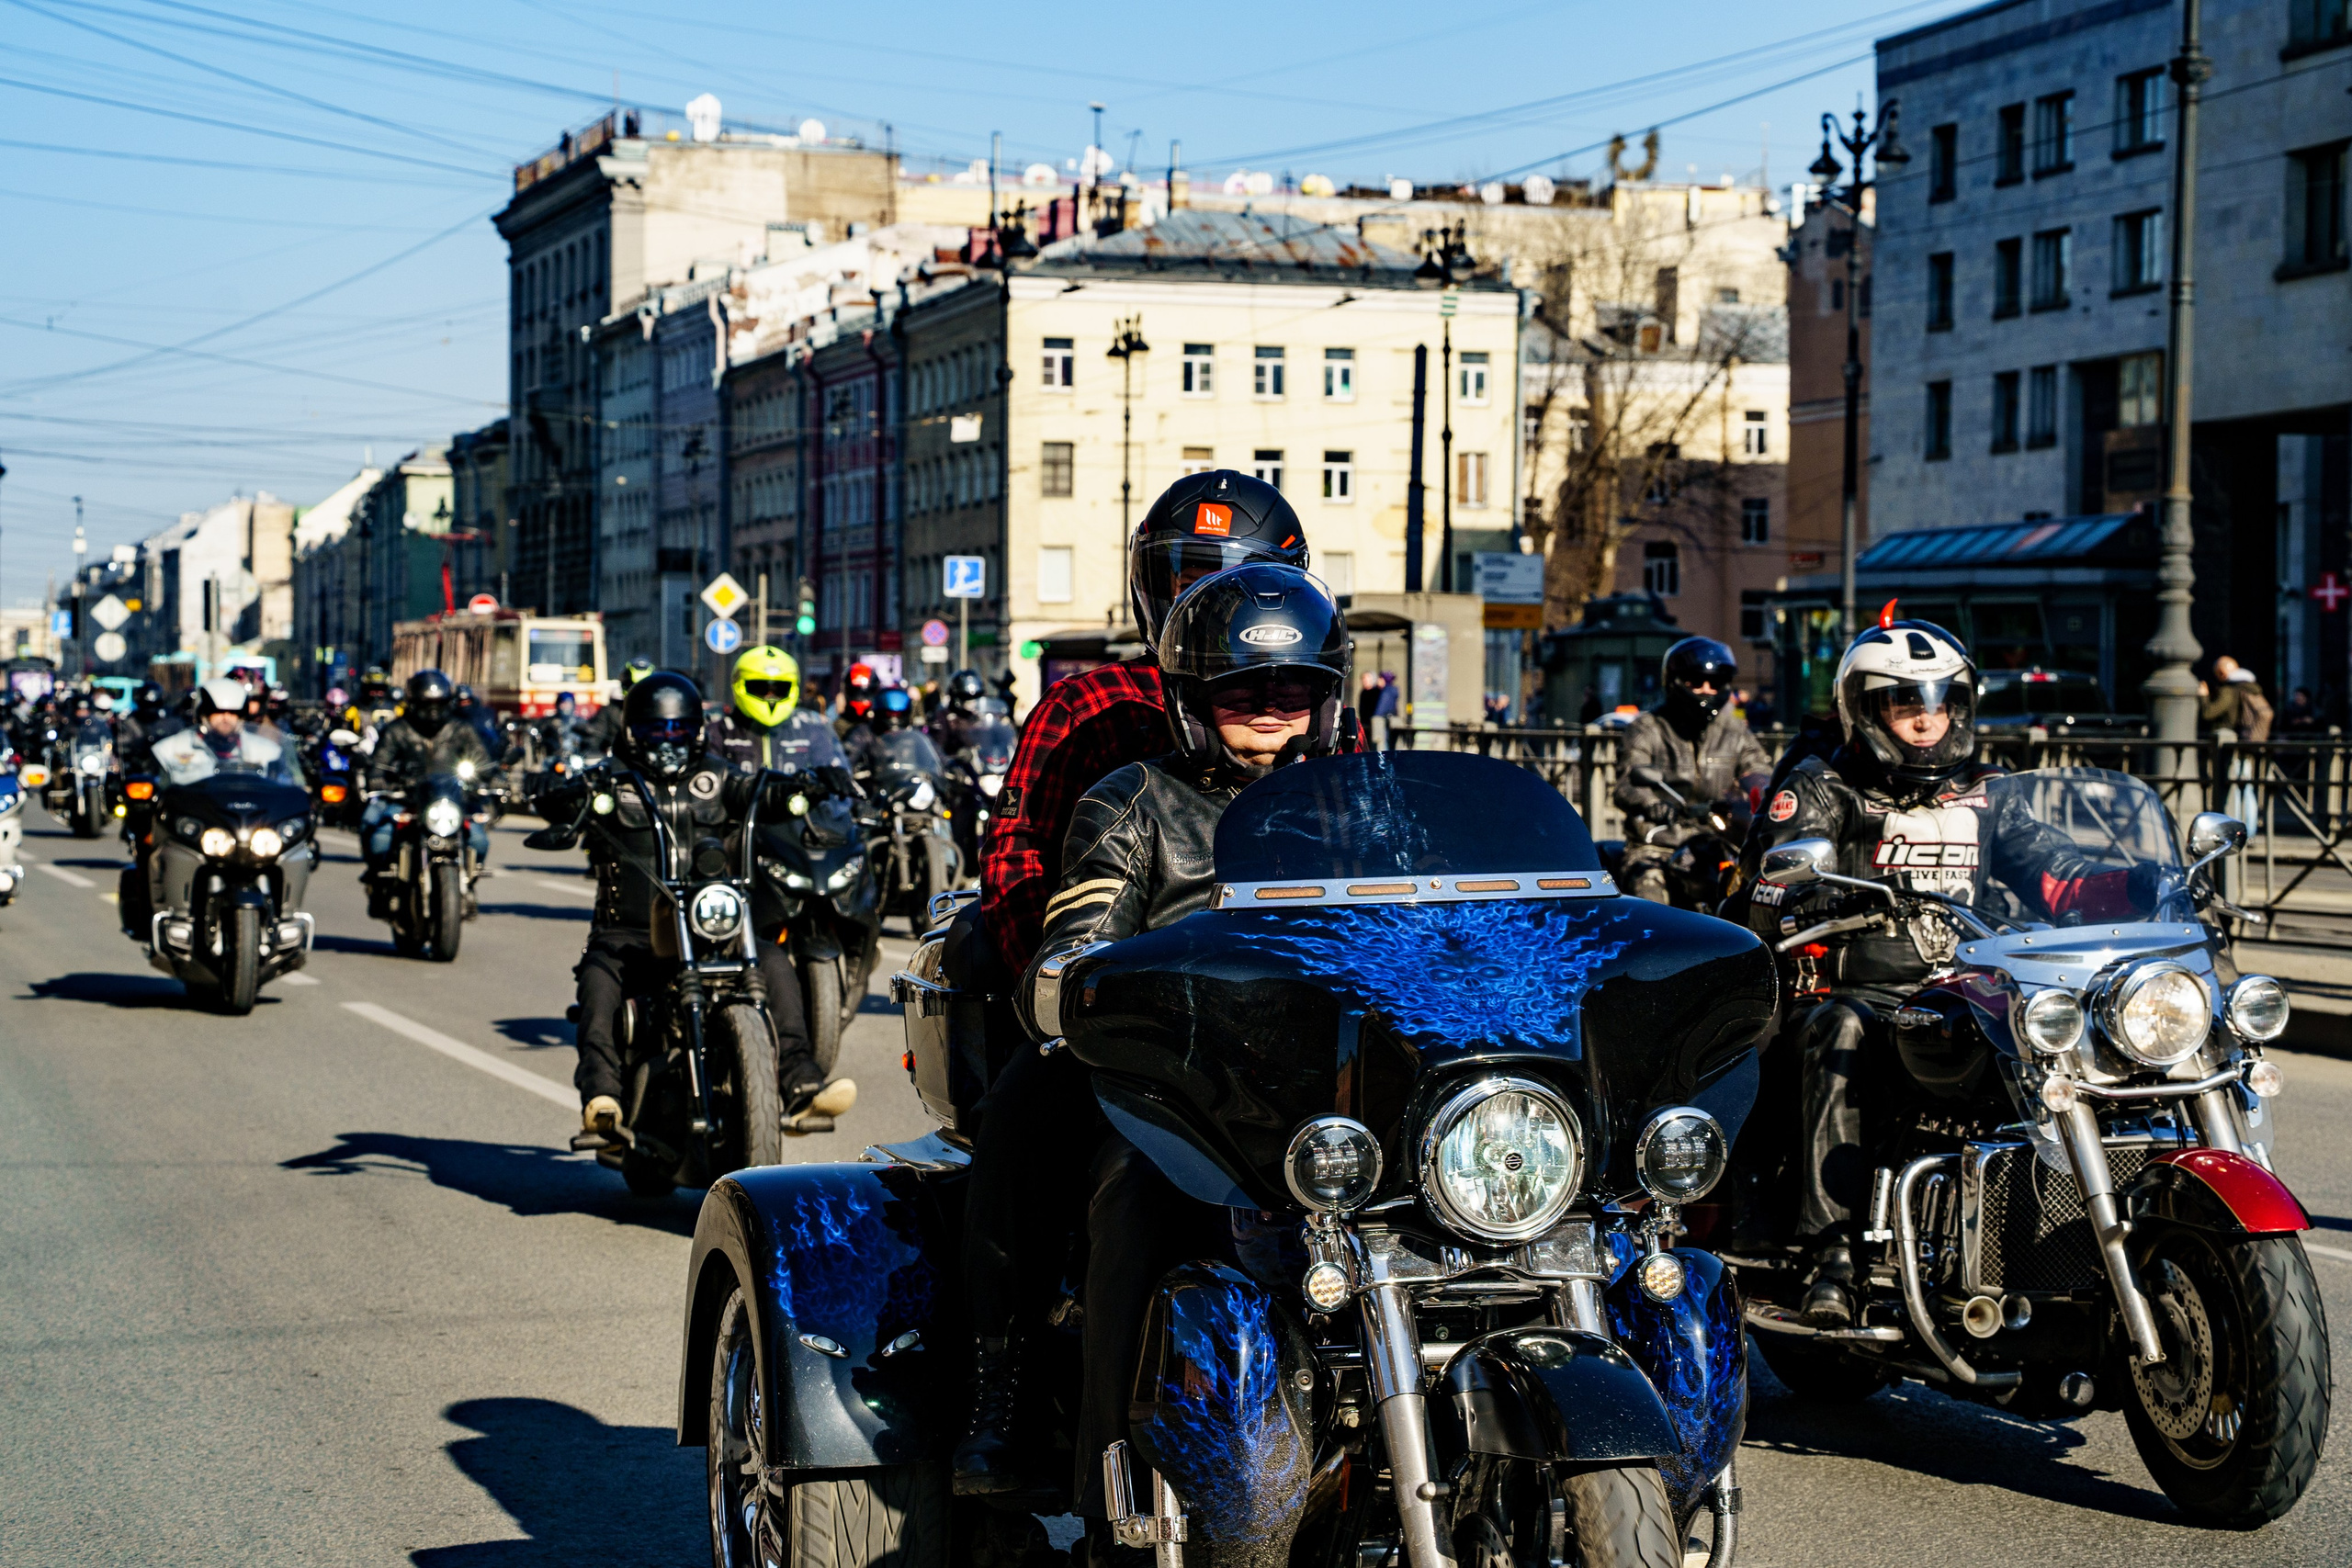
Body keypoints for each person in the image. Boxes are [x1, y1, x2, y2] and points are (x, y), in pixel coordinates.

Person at [974, 566, 1350, 1557]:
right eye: (1241, 690)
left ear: (1328, 694)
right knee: (1133, 1198)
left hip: (1344, 1103)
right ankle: (1109, 1502)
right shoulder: (1135, 800)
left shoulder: (1363, 808)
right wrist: (1084, 978)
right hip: (1187, 1104)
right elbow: (1075, 936)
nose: (1270, 708)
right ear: (1190, 699)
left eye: (1292, 688)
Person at [1743, 617, 2165, 1325]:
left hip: (1969, 985)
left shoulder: (1990, 791)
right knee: (1839, 1032)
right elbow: (1767, 883)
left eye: (1938, 704)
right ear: (1867, 710)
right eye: (1907, 705)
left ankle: (2092, 1240)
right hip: (1865, 990)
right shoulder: (1825, 786)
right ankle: (1832, 1254)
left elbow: (2054, 871)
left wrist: (2134, 886)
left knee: (2077, 1039)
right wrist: (1802, 893)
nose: (1925, 721)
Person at [534, 671, 854, 1136]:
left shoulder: (718, 777)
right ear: (631, 732)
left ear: (697, 731)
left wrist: (808, 786)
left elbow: (762, 791)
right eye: (655, 730)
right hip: (629, 934)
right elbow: (555, 804)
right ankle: (603, 1098)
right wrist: (559, 792)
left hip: (711, 927)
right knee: (598, 986)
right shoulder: (610, 782)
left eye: (679, 730)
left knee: (774, 964)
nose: (669, 741)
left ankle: (803, 1085)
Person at [1613, 637, 1771, 904]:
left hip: (1719, 842)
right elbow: (1628, 781)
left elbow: (1759, 773)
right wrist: (1652, 804)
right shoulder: (1648, 728)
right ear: (1675, 682)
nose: (1707, 690)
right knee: (1652, 898)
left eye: (1715, 683)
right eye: (1696, 682)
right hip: (1658, 845)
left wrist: (1765, 796)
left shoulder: (1735, 732)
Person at [358, 670, 498, 918]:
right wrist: (379, 779)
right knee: (377, 834)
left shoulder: (460, 729)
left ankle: (467, 885)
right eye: (426, 704)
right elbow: (379, 763)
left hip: (450, 801)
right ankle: (378, 883)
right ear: (414, 703)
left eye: (439, 704)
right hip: (406, 800)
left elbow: (483, 761)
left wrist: (492, 777)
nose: (433, 711)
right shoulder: (398, 730)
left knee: (478, 839)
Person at [2199, 654, 2274, 741]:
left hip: (2225, 740)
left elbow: (2208, 713)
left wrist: (2203, 696)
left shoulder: (2229, 690)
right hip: (2244, 737)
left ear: (2222, 672)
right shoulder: (2250, 688)